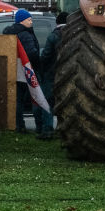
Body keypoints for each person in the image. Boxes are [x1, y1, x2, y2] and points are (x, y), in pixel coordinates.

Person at [3, 9, 45, 135]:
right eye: (29, 19)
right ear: (21, 20)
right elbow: (31, 53)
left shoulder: (10, 33)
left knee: (18, 100)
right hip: (29, 70)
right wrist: (38, 63)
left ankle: (18, 125)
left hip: (16, 70)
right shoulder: (25, 34)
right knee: (36, 97)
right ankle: (40, 127)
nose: (31, 22)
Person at [36, 11, 68, 140]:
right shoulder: (75, 34)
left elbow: (46, 56)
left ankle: (48, 130)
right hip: (67, 75)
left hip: (51, 74)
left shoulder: (53, 36)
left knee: (47, 102)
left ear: (57, 22)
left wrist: (41, 67)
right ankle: (65, 129)